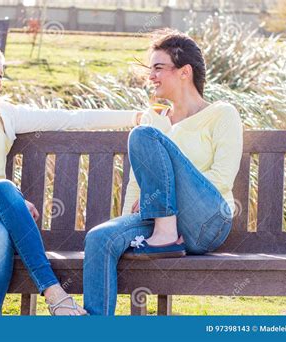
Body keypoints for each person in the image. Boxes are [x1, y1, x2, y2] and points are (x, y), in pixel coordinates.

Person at [0, 40, 139, 316]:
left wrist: (135, 116)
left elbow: (70, 118)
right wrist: (9, 197)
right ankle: (53, 292)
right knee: (3, 189)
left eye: (1, 74)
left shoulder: (4, 115)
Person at [83, 30, 243, 315]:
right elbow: (136, 182)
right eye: (150, 69)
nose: (151, 76)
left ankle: (166, 231)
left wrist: (158, 201)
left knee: (144, 135)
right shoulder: (153, 119)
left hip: (205, 222)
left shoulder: (222, 114)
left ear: (184, 72)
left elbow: (222, 178)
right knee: (99, 237)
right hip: (156, 226)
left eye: (158, 68)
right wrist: (127, 221)